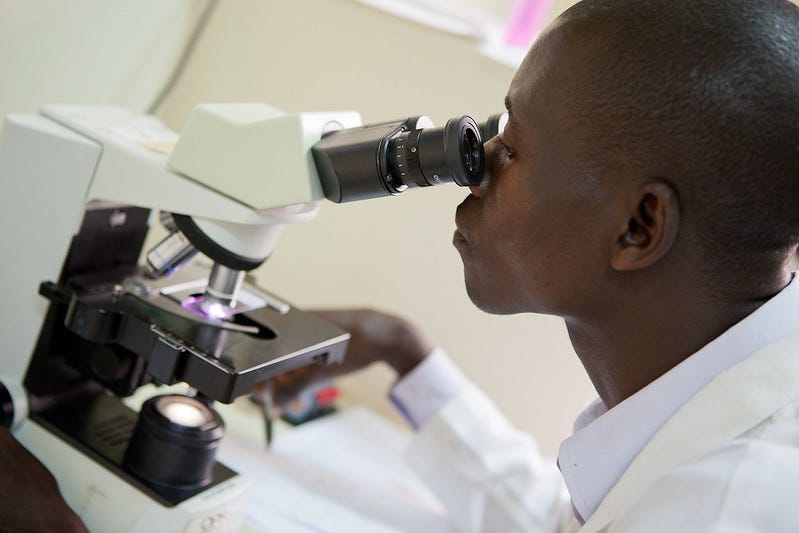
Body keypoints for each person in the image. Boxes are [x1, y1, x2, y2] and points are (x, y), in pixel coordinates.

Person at [3, 0, 799, 531]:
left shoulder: (736, 504)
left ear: (638, 224)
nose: (475, 164)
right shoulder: (714, 428)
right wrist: (403, 351)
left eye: (512, 145)